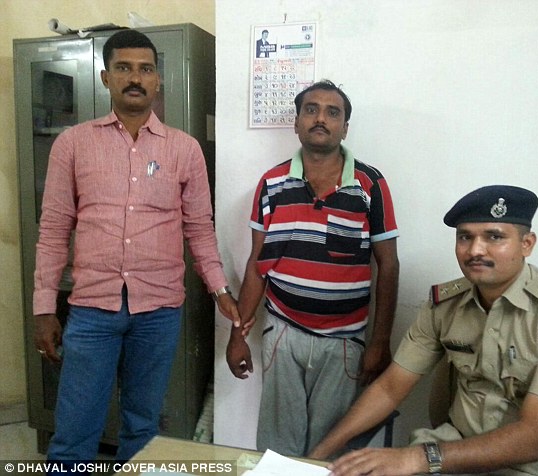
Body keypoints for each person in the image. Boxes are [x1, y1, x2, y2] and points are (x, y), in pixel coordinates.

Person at [33, 29, 239, 472]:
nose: (135, 78)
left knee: (143, 427)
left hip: (158, 311)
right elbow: (53, 230)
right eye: (124, 68)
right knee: (74, 431)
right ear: (106, 77)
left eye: (145, 69)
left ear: (157, 80)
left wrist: (220, 290)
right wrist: (44, 308)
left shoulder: (184, 149)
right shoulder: (73, 144)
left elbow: (199, 229)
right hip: (92, 309)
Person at [310, 185, 538, 475]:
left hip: (530, 469)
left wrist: (416, 458)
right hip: (453, 454)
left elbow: (533, 440)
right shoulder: (445, 305)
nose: (475, 250)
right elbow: (390, 388)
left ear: (526, 244)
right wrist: (317, 458)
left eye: (494, 237)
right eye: (465, 237)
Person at [226, 80, 400, 457]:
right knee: (278, 449)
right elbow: (258, 264)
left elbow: (388, 266)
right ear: (297, 122)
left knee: (329, 450)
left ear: (345, 128)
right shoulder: (271, 183)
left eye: (332, 112)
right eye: (311, 109)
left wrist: (380, 342)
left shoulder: (370, 185)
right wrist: (237, 335)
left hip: (344, 343)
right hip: (282, 334)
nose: (320, 118)